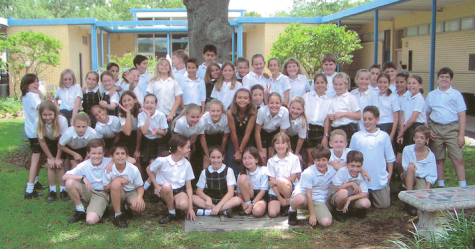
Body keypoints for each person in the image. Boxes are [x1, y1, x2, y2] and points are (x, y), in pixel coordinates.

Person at [62, 139, 133, 224]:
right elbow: (64, 177)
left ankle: (101, 208)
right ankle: (80, 211)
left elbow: (133, 160)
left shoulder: (108, 161)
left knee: (90, 220)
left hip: (101, 193)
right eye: (93, 153)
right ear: (88, 153)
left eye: (99, 153)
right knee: (69, 182)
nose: (97, 156)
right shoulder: (84, 164)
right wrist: (82, 178)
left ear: (103, 153)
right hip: (89, 190)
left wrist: (112, 161)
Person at [426, 67, 467, 188]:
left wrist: (461, 135)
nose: (444, 79)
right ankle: (441, 184)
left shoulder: (456, 95)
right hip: (435, 128)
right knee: (439, 158)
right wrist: (428, 129)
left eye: (447, 77)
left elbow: (462, 115)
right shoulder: (432, 95)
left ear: (451, 80)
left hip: (452, 129)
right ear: (438, 79)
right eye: (442, 77)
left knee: (457, 158)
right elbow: (426, 113)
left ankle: (463, 185)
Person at [350, 106, 395, 209]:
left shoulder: (384, 136)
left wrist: (390, 173)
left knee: (384, 204)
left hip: (379, 178)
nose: (366, 122)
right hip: (361, 178)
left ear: (377, 120)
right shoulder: (357, 136)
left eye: (370, 119)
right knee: (362, 204)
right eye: (364, 119)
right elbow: (351, 158)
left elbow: (390, 157)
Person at [146, 134, 196, 224]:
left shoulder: (186, 164)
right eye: (188, 147)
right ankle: (171, 212)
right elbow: (149, 169)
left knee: (183, 205)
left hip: (179, 190)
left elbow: (188, 187)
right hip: (165, 190)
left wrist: (190, 207)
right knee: (166, 185)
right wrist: (156, 186)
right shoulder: (163, 160)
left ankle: (177, 208)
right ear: (179, 148)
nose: (189, 150)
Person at [288, 146, 335, 227]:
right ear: (313, 160)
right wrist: (312, 215)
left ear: (328, 160)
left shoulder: (332, 171)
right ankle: (292, 210)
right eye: (318, 160)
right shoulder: (308, 173)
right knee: (299, 199)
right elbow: (309, 194)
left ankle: (321, 211)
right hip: (305, 195)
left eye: (324, 160)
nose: (321, 163)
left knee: (326, 222)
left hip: (319, 199)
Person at [103, 144, 145, 228]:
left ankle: (126, 207)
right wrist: (117, 179)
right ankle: (118, 215)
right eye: (117, 154)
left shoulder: (133, 169)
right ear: (112, 157)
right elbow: (106, 189)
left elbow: (140, 186)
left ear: (127, 156)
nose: (120, 156)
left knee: (140, 208)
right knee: (115, 183)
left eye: (123, 153)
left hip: (131, 192)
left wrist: (139, 197)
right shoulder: (108, 170)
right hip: (118, 192)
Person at [34, 101, 69, 202]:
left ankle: (63, 190)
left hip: (61, 142)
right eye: (44, 115)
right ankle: (52, 190)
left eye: (50, 114)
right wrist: (50, 157)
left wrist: (57, 158)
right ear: (41, 115)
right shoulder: (37, 121)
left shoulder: (62, 120)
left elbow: (61, 141)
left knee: (59, 164)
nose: (47, 117)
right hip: (47, 142)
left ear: (55, 113)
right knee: (51, 165)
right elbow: (42, 141)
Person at [193, 146, 241, 217]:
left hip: (224, 200)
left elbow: (230, 192)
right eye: (213, 157)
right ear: (209, 158)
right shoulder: (205, 172)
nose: (216, 160)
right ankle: (223, 211)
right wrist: (207, 198)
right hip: (210, 201)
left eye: (218, 157)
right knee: (192, 197)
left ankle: (208, 212)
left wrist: (218, 206)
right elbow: (198, 191)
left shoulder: (228, 170)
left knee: (237, 200)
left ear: (223, 157)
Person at [401, 126, 437, 215]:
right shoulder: (407, 149)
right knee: (411, 169)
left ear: (427, 139)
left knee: (423, 197)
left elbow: (432, 173)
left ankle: (416, 201)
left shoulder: (430, 155)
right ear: (413, 138)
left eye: (422, 138)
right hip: (408, 175)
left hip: (421, 178)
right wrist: (411, 164)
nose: (419, 140)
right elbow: (405, 166)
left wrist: (428, 186)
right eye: (416, 137)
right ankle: (409, 201)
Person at [22, 74, 46, 199]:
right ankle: (29, 189)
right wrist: (41, 96)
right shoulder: (32, 96)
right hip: (35, 131)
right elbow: (43, 109)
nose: (36, 85)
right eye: (34, 82)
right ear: (27, 84)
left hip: (32, 130)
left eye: (37, 82)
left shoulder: (27, 96)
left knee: (40, 157)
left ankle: (35, 183)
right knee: (36, 159)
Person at [267, 132, 302, 218]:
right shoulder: (271, 161)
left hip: (289, 188)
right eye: (277, 143)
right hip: (276, 191)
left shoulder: (294, 158)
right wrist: (280, 198)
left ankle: (288, 204)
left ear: (288, 144)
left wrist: (277, 181)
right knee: (272, 213)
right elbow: (271, 183)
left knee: (282, 182)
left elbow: (293, 178)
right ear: (274, 146)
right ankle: (282, 203)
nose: (280, 146)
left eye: (283, 143)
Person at [329, 150, 371, 222]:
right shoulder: (342, 171)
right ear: (347, 164)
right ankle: (339, 211)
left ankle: (355, 210)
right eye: (352, 166)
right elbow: (336, 188)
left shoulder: (361, 175)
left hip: (352, 197)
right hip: (339, 196)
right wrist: (351, 184)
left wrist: (349, 199)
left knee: (366, 203)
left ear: (362, 166)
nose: (355, 169)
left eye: (358, 166)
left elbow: (364, 193)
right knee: (343, 193)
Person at [226, 88, 257, 178]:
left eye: (245, 98)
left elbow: (248, 133)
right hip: (234, 139)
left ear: (249, 100)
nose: (242, 100)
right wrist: (237, 151)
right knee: (233, 160)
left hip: (247, 139)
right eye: (239, 98)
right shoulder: (230, 111)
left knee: (247, 160)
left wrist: (241, 150)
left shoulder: (252, 112)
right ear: (235, 99)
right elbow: (233, 133)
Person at [302, 73, 332, 167]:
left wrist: (325, 135)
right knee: (310, 158)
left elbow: (327, 119)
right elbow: (303, 113)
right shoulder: (307, 96)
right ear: (314, 84)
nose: (320, 85)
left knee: (320, 158)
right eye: (317, 83)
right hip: (308, 128)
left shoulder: (329, 100)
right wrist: (304, 129)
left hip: (320, 130)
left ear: (326, 83)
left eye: (322, 82)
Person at [255, 93, 290, 164]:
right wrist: (260, 151)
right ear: (267, 103)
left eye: (277, 103)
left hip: (276, 134)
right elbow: (257, 132)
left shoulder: (285, 112)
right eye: (271, 103)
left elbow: (282, 134)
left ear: (281, 104)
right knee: (262, 159)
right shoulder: (262, 111)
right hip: (262, 133)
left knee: (273, 158)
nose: (274, 106)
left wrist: (278, 148)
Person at [146, 57, 183, 122]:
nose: (164, 66)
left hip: (169, 115)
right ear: (158, 67)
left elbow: (178, 99)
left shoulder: (174, 82)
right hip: (155, 114)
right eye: (161, 64)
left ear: (169, 68)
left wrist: (171, 114)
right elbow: (149, 98)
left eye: (166, 64)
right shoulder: (152, 82)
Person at [328, 72, 361, 144]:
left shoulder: (351, 98)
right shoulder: (331, 99)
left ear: (346, 84)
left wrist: (344, 114)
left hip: (349, 127)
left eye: (340, 84)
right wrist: (331, 117)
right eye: (335, 84)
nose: (338, 87)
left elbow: (358, 116)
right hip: (335, 128)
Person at [117, 91, 143, 175]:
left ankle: (141, 184)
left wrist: (137, 149)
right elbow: (127, 132)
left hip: (140, 137)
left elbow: (140, 131)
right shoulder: (121, 113)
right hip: (126, 137)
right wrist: (128, 113)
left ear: (135, 100)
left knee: (137, 160)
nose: (127, 103)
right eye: (124, 101)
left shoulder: (141, 111)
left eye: (129, 100)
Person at [237, 146, 268, 217]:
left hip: (259, 196)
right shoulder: (241, 173)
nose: (247, 161)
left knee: (257, 212)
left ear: (256, 160)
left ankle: (253, 208)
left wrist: (252, 204)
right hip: (247, 197)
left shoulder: (263, 170)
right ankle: (247, 206)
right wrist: (243, 204)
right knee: (242, 177)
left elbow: (263, 191)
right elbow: (238, 192)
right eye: (244, 158)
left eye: (250, 158)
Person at [397, 75, 426, 150]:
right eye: (409, 83)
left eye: (414, 83)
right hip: (406, 127)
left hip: (416, 127)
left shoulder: (419, 98)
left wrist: (402, 131)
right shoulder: (406, 97)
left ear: (420, 85)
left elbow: (413, 118)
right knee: (402, 154)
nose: (411, 85)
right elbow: (403, 116)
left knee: (413, 152)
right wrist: (401, 130)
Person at [200, 100, 230, 168]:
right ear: (208, 111)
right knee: (206, 158)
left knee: (220, 157)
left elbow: (225, 137)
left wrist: (221, 151)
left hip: (220, 137)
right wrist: (207, 153)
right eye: (213, 111)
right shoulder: (204, 118)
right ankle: (206, 174)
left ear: (222, 111)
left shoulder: (226, 119)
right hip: (207, 138)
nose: (215, 113)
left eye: (218, 111)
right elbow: (202, 137)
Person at [138, 94, 168, 164]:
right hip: (147, 140)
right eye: (147, 103)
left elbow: (164, 132)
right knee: (151, 163)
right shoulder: (141, 115)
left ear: (156, 105)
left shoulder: (161, 115)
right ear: (144, 104)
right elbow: (144, 131)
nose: (149, 105)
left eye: (152, 103)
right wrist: (148, 115)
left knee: (160, 162)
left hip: (160, 141)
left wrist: (157, 131)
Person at [373, 73, 400, 142]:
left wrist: (392, 134)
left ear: (389, 84)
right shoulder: (374, 96)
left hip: (388, 126)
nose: (382, 85)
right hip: (376, 126)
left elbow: (396, 118)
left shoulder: (393, 97)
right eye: (380, 82)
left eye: (385, 82)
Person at [287, 97, 307, 164]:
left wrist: (296, 153)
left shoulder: (302, 121)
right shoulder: (286, 115)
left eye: (298, 109)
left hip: (297, 140)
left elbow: (301, 139)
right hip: (286, 137)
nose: (295, 111)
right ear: (289, 106)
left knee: (298, 158)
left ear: (303, 110)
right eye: (293, 108)